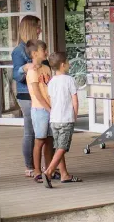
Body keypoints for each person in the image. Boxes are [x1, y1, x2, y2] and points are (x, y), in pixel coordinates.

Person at [13, 15, 46, 177]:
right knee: (30, 131)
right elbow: (16, 75)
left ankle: (43, 165)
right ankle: (30, 166)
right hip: (26, 95)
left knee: (43, 131)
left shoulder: (39, 48)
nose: (40, 30)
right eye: (38, 27)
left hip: (41, 93)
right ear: (30, 28)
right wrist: (25, 68)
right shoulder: (18, 51)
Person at [42, 51, 82, 187]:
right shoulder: (70, 80)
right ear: (63, 65)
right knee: (62, 147)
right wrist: (75, 115)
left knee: (59, 146)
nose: (69, 64)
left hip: (54, 119)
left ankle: (64, 174)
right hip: (66, 119)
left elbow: (51, 99)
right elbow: (75, 100)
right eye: (68, 62)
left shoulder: (52, 82)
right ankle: (49, 171)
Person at [25, 39, 55, 182]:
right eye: (44, 50)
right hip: (39, 109)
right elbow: (37, 93)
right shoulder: (32, 72)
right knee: (40, 139)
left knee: (50, 139)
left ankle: (49, 169)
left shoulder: (46, 68)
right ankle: (37, 170)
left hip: (49, 108)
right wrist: (48, 108)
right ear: (35, 53)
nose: (46, 53)